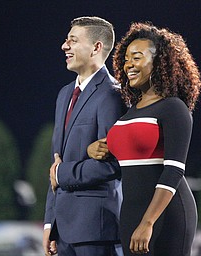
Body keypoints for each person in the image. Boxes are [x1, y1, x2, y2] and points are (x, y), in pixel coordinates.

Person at [87, 22, 201, 255]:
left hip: (165, 213)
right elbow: (131, 151)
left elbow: (174, 170)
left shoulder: (173, 108)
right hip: (131, 213)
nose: (128, 64)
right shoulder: (131, 110)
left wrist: (148, 222)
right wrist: (97, 148)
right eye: (127, 58)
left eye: (137, 57)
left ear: (158, 63)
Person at [43, 16, 126, 256]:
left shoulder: (112, 95)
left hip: (95, 231)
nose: (64, 46)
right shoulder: (64, 94)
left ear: (96, 48)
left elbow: (113, 165)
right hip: (63, 231)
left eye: (73, 40)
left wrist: (62, 173)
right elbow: (55, 162)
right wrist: (50, 222)